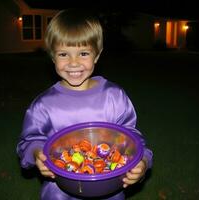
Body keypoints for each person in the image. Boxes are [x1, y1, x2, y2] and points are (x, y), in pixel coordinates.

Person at [16, 8, 153, 200]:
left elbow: (133, 139)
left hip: (109, 189)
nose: (73, 63)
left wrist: (142, 162)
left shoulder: (114, 97)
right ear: (53, 56)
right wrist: (37, 153)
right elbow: (29, 141)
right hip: (61, 191)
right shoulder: (44, 105)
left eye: (83, 53)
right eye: (64, 54)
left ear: (97, 55)